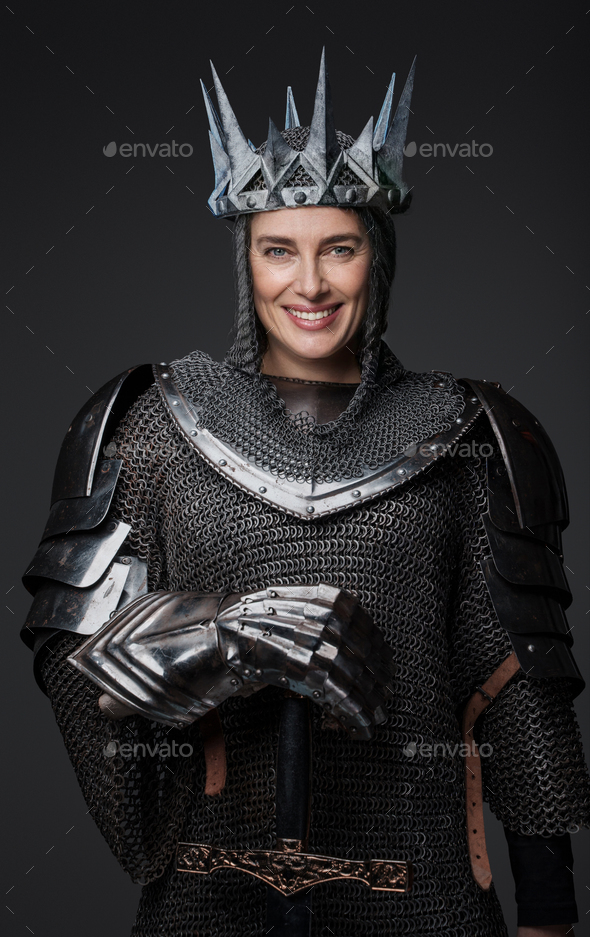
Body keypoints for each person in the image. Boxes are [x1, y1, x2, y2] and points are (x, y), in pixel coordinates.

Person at [21, 50, 589, 937]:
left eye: (341, 249)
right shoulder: (151, 425)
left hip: (419, 896)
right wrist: (225, 644)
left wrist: (549, 914)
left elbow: (515, 688)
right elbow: (76, 669)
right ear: (245, 260)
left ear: (378, 258)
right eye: (278, 250)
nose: (310, 284)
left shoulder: (469, 433)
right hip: (214, 895)